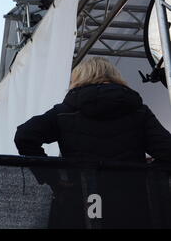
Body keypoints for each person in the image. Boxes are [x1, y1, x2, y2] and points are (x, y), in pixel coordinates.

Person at [14, 57, 171, 228]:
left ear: (79, 78)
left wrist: (53, 178)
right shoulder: (138, 111)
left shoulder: (64, 112)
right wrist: (149, 173)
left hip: (82, 204)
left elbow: (24, 136)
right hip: (131, 205)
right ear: (114, 76)